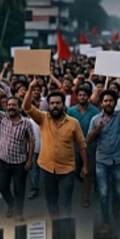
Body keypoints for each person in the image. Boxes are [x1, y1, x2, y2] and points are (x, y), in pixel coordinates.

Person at [24, 83, 88, 219]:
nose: (55, 106)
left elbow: (82, 145)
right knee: (51, 202)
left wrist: (85, 165)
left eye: (58, 103)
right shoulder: (42, 118)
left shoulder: (73, 123)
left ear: (63, 105)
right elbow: (26, 107)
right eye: (52, 103)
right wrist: (30, 88)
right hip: (46, 169)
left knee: (65, 204)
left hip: (67, 170)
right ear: (48, 105)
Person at [88, 83, 120, 232]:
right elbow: (89, 139)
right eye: (105, 101)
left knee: (119, 192)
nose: (108, 103)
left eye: (111, 101)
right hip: (102, 162)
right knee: (103, 193)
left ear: (115, 103)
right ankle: (106, 221)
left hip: (119, 160)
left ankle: (116, 212)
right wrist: (98, 129)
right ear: (101, 103)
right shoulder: (95, 119)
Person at [0, 80, 35, 220]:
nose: (11, 107)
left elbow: (31, 141)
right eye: (9, 105)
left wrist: (30, 160)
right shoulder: (3, 117)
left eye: (14, 105)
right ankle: (11, 204)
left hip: (20, 162)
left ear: (20, 107)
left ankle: (19, 213)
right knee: (2, 187)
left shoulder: (26, 123)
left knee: (19, 190)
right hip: (3, 160)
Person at [66, 84, 101, 208]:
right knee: (76, 171)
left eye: (84, 95)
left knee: (88, 171)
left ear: (88, 97)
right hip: (75, 146)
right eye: (80, 95)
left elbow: (98, 128)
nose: (82, 97)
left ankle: (85, 195)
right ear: (77, 97)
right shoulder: (70, 111)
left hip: (90, 146)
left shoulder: (95, 111)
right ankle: (86, 181)